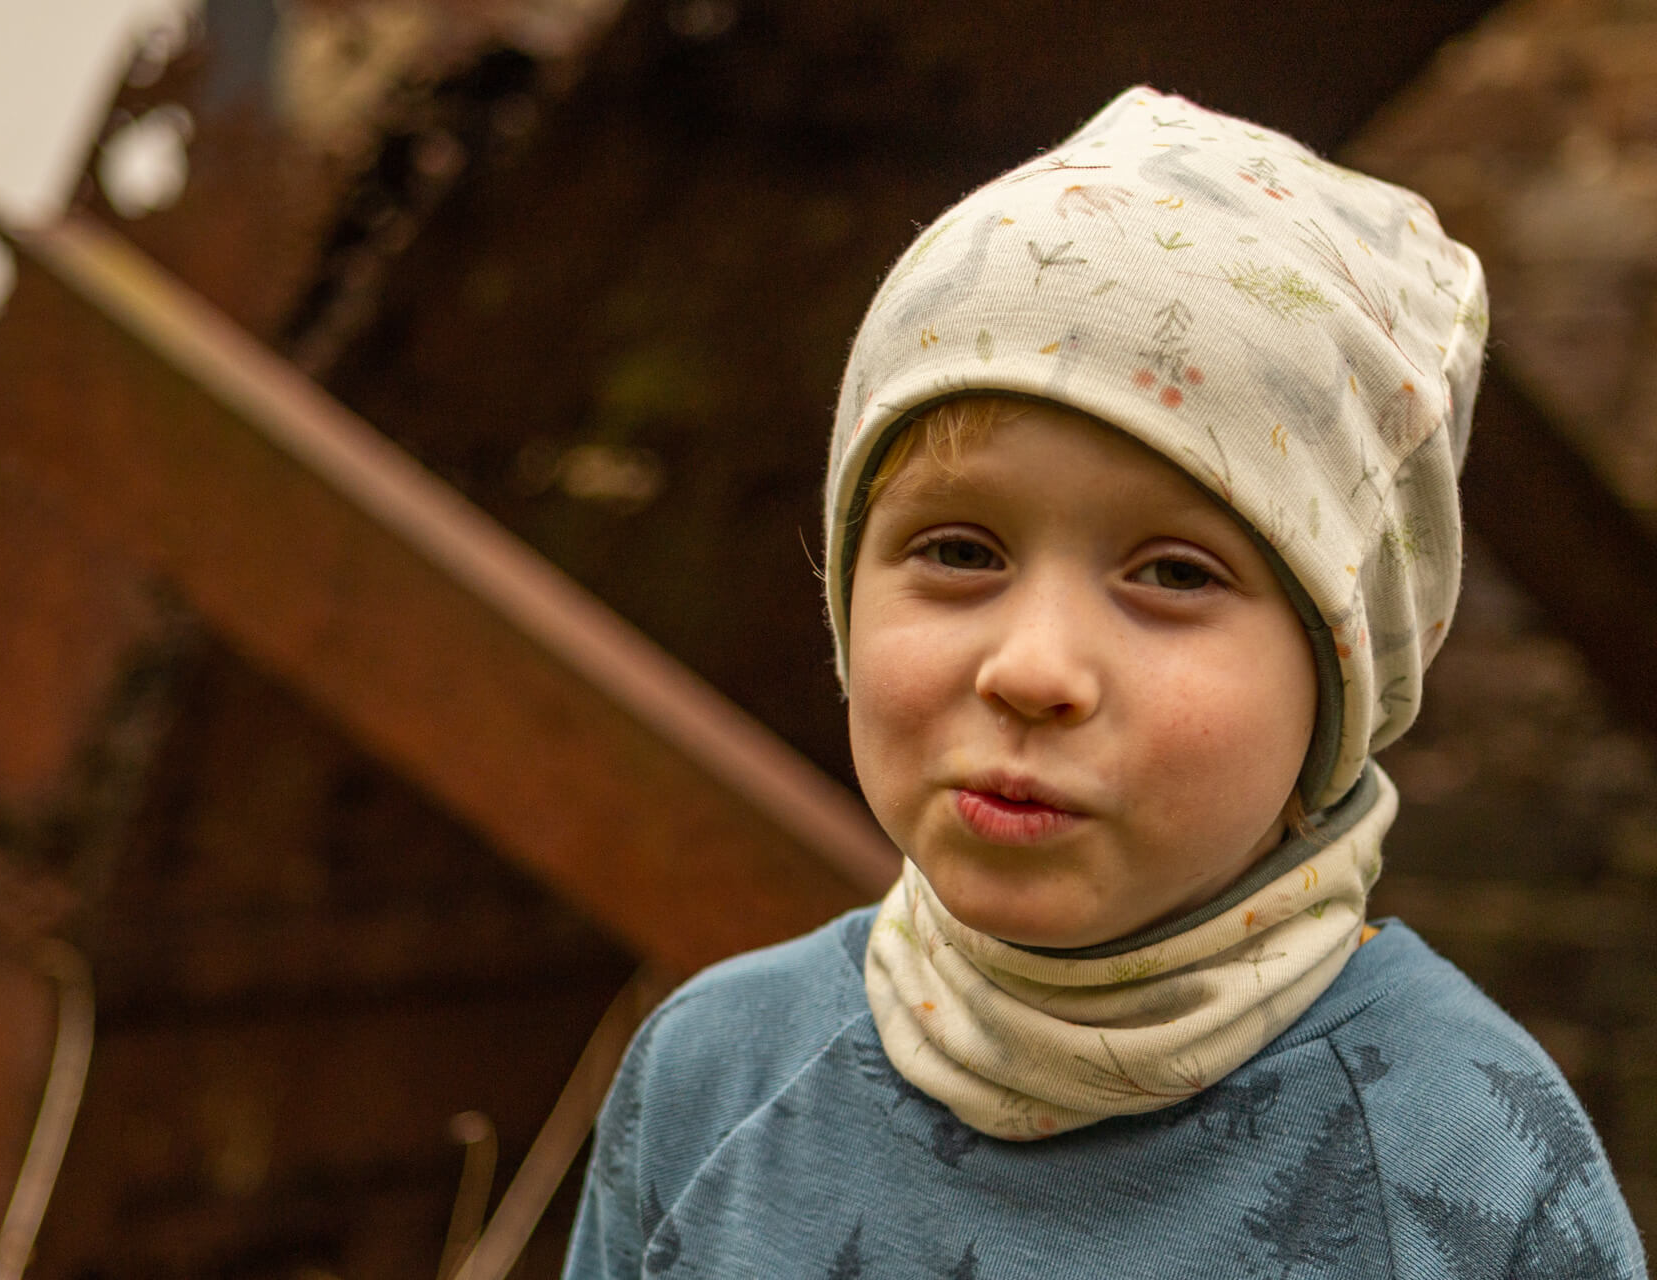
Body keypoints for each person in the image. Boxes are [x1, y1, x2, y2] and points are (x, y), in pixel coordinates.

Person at [562, 86, 1647, 1278]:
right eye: (959, 551)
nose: (1032, 669)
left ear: (1343, 674)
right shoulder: (708, 1078)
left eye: (1173, 573)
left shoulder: (1474, 1169)